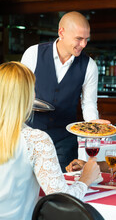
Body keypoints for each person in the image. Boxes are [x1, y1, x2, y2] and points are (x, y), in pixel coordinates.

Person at [0, 62, 100, 220]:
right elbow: (64, 203)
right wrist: (85, 179)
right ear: (27, 96)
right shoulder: (34, 139)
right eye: (33, 90)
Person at [21, 11, 108, 172]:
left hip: (64, 141)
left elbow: (88, 103)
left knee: (61, 192)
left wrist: (93, 125)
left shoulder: (89, 65)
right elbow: (20, 94)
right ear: (62, 32)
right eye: (79, 39)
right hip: (30, 136)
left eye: (86, 39)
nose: (83, 44)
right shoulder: (33, 54)